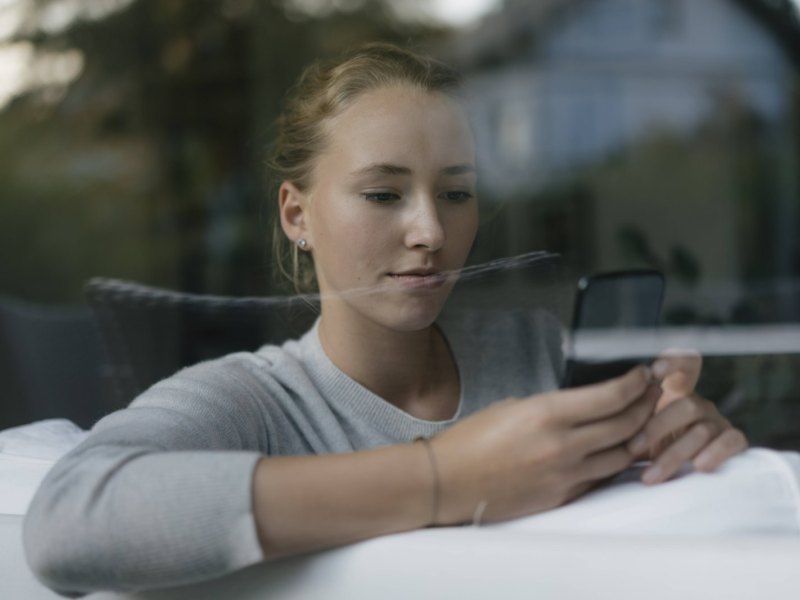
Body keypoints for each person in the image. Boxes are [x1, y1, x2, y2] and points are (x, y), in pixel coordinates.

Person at [22, 43, 748, 597]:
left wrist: (681, 451)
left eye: (456, 194)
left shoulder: (539, 354)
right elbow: (68, 521)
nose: (431, 230)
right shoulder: (254, 402)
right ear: (296, 214)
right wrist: (443, 479)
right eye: (382, 195)